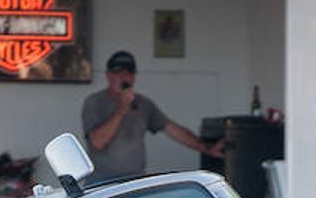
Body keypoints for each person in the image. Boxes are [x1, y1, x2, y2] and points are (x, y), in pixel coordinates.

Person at [81, 50, 224, 179]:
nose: (124, 77)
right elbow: (97, 142)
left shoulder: (144, 104)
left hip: (134, 181)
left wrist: (207, 149)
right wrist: (121, 110)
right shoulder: (94, 102)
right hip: (101, 184)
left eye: (129, 73)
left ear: (134, 77)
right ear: (108, 75)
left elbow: (172, 129)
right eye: (119, 72)